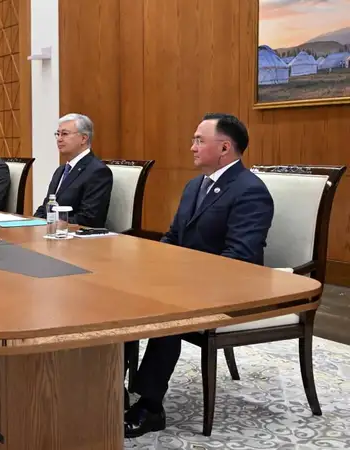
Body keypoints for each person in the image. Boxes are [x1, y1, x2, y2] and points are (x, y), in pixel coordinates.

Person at [124, 113, 274, 438]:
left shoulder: (250, 191)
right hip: (189, 279)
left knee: (167, 307)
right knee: (124, 291)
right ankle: (112, 384)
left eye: (198, 140)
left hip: (232, 285)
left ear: (224, 148)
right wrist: (154, 264)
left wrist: (183, 278)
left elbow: (240, 258)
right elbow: (173, 236)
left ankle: (150, 406)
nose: (191, 147)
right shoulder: (195, 185)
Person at [34, 113, 112, 227]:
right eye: (58, 134)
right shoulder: (61, 170)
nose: (59, 139)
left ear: (84, 138)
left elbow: (89, 218)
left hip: (75, 235)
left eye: (65, 134)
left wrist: (52, 224)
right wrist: (33, 223)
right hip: (52, 231)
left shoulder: (97, 171)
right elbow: (46, 207)